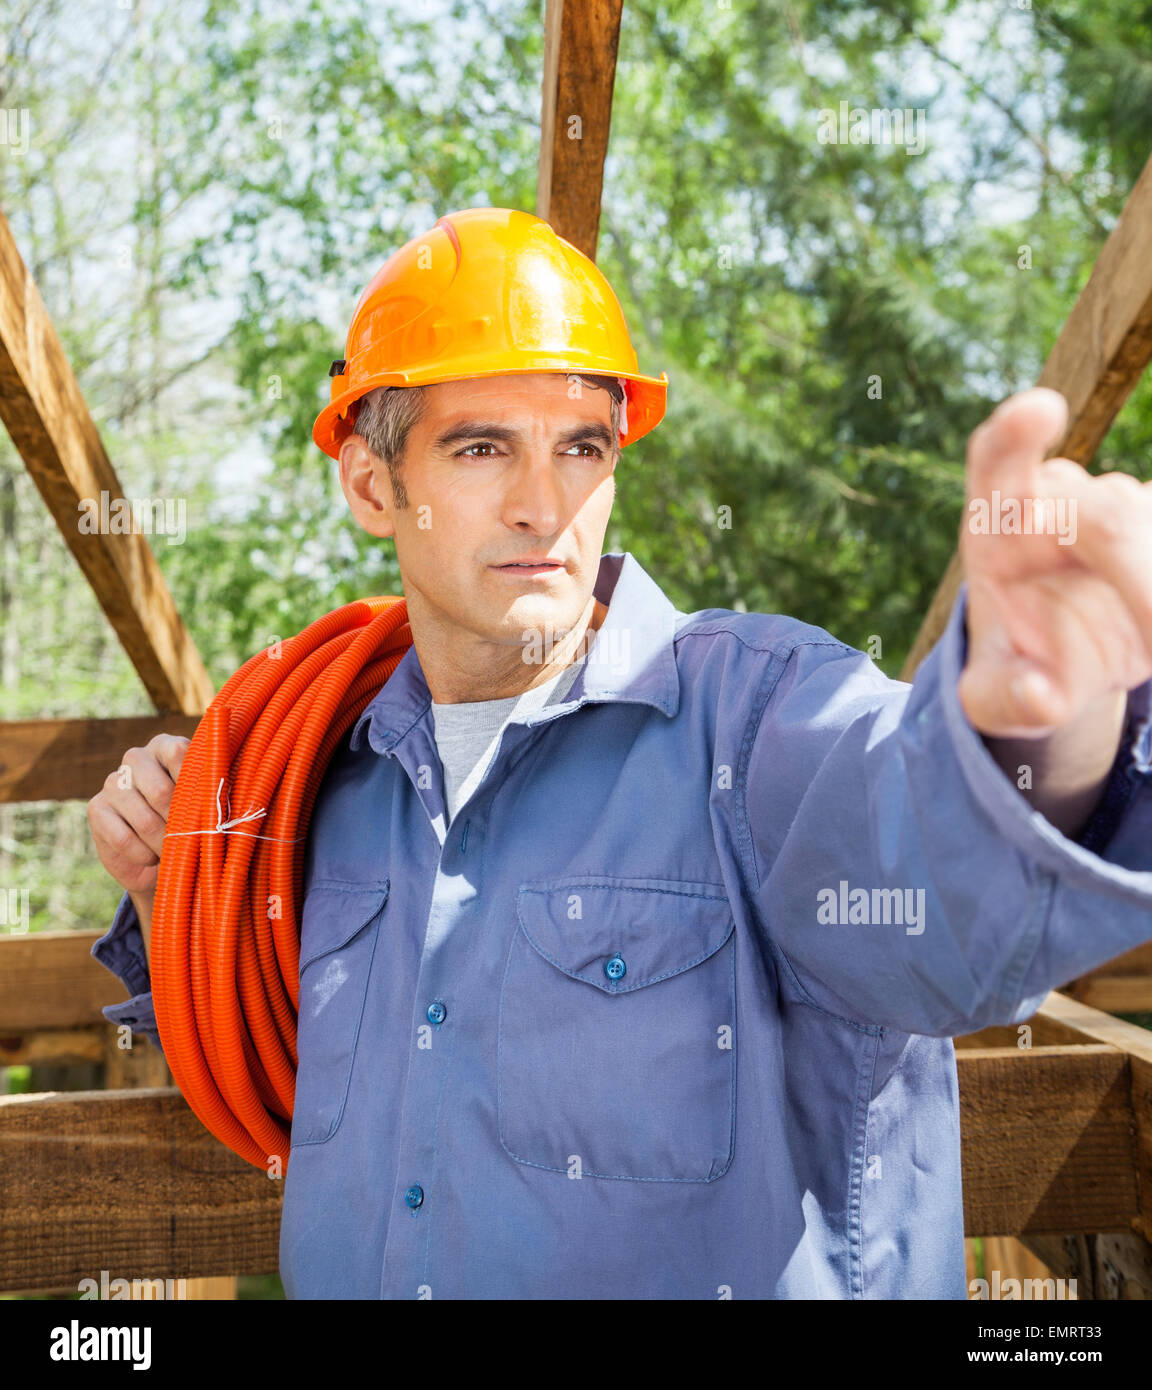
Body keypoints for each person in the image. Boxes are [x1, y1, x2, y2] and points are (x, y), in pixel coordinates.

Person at [87, 206, 1152, 1299]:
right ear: (373, 486)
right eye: (482, 446)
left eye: (581, 447)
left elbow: (935, 875)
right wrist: (173, 887)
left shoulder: (758, 718)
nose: (543, 503)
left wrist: (1052, 723)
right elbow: (244, 1017)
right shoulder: (324, 780)